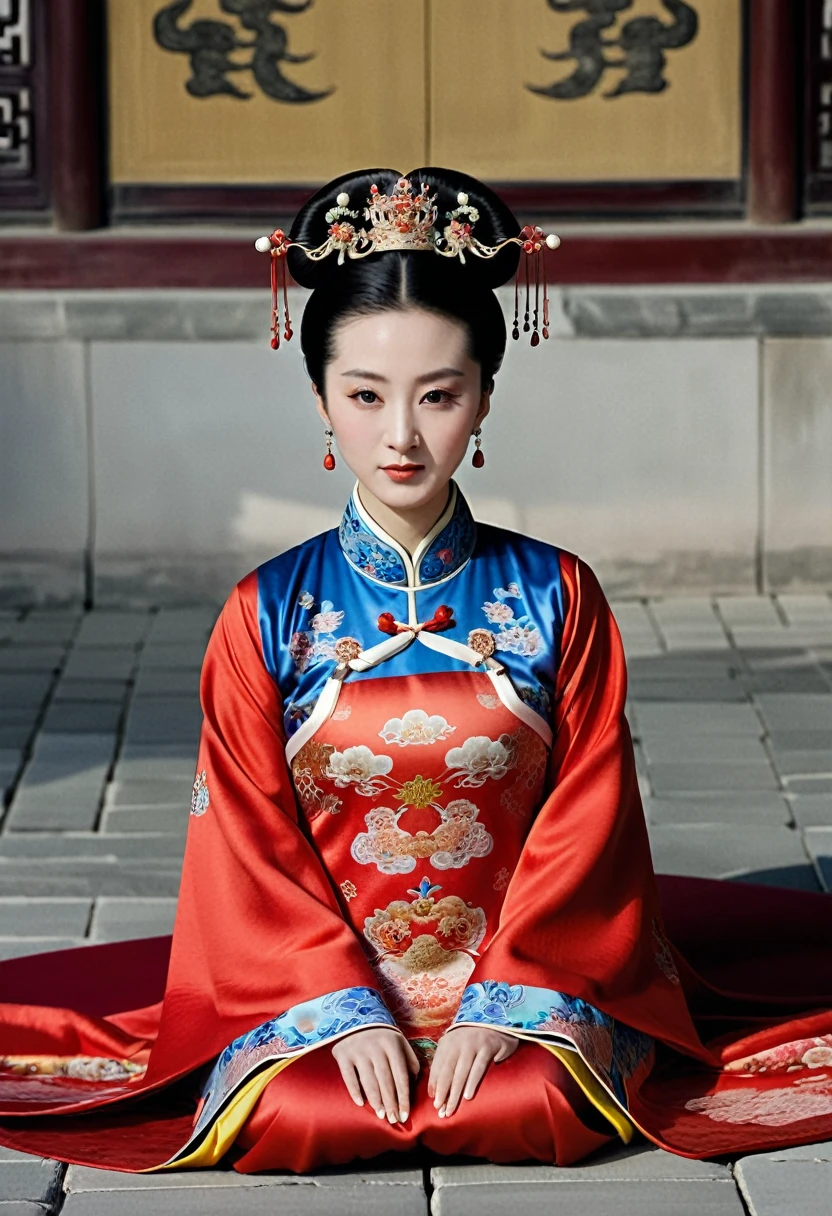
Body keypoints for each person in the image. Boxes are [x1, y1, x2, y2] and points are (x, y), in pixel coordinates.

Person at [1, 167, 832, 1174]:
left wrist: (511, 997)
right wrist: (338, 1011)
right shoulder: (266, 611)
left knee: (526, 1098)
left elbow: (589, 822)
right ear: (319, 398)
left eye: (438, 394)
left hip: (526, 980)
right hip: (316, 987)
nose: (401, 436)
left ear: (484, 395)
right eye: (364, 395)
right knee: (306, 1116)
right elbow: (246, 844)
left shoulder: (557, 594)